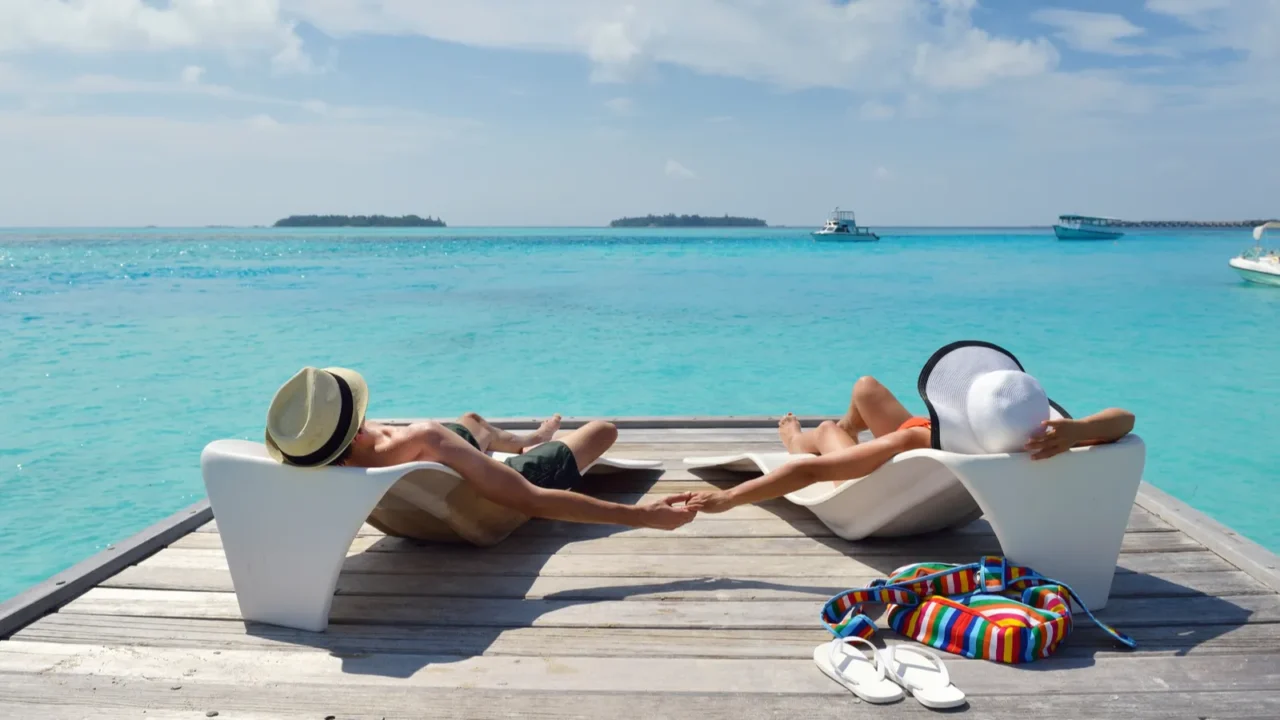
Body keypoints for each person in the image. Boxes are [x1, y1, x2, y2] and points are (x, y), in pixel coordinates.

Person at [676, 342, 1135, 515]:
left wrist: (731, 497)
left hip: (877, 479)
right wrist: (1075, 431)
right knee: (866, 388)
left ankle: (804, 438)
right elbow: (1125, 420)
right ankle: (846, 426)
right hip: (932, 441)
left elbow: (815, 475)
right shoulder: (1039, 433)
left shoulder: (913, 438)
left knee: (827, 435)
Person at [265, 366, 697, 530]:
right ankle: (530, 449)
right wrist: (642, 516)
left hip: (412, 519)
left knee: (471, 421)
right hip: (488, 509)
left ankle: (526, 440)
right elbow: (530, 499)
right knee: (603, 429)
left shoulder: (315, 460)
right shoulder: (422, 437)